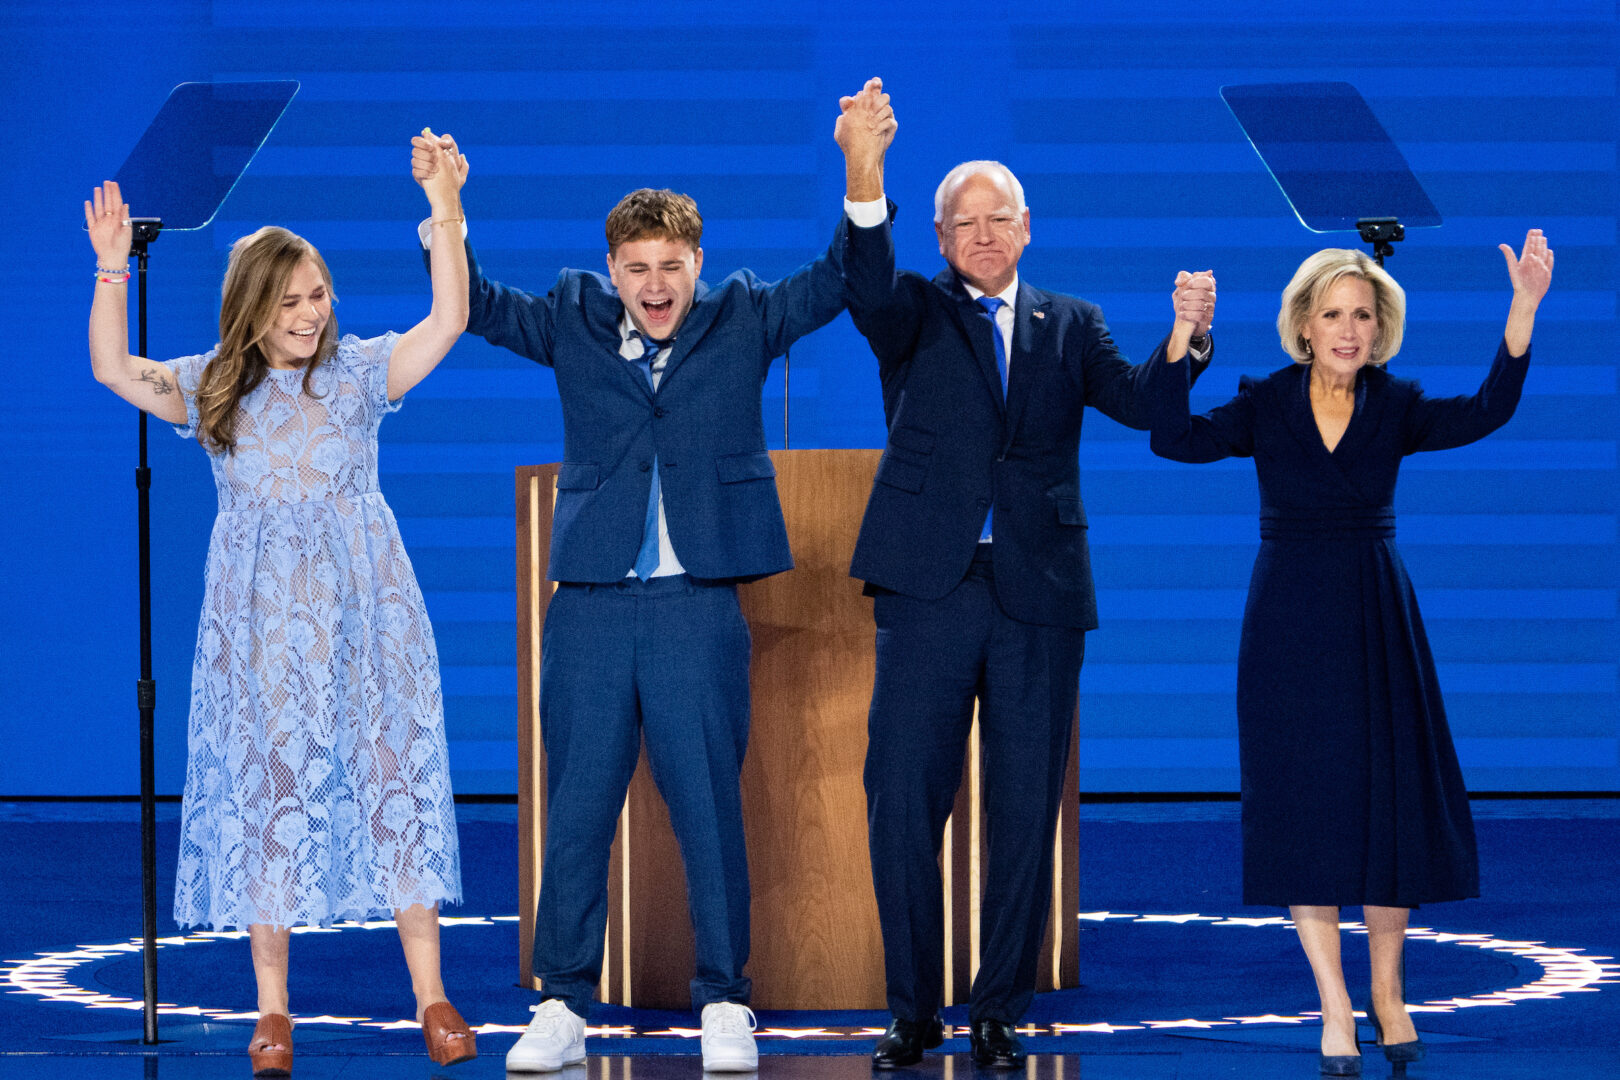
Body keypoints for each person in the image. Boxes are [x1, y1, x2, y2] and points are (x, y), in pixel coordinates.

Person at [410, 97, 860, 1073]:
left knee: (707, 806)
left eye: (671, 267)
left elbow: (842, 280)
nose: (655, 286)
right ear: (613, 270)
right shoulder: (574, 316)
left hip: (698, 605)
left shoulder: (743, 314)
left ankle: (725, 1001)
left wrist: (861, 175)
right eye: (637, 269)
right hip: (593, 610)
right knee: (576, 808)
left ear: (699, 265)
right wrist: (445, 206)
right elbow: (477, 305)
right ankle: (563, 1001)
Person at [833, 81, 1216, 1069]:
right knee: (900, 798)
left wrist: (1185, 341)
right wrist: (863, 170)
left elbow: (1144, 406)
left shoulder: (1071, 323)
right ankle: (911, 1010)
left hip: (1039, 596)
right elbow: (867, 284)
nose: (984, 232)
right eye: (964, 221)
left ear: (1028, 229)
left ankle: (996, 1008)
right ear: (942, 234)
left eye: (1000, 217)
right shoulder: (911, 311)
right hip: (929, 590)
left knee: (1023, 809)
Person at [84, 131, 478, 1074]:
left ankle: (433, 996)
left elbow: (449, 318)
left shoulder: (358, 375)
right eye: (292, 299)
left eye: (319, 294)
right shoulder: (215, 386)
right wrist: (109, 274)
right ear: (253, 309)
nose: (311, 312)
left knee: (392, 782)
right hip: (261, 628)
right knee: (273, 790)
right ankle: (272, 1013)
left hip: (369, 616)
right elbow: (112, 370)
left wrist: (446, 208)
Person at [1146, 232, 1554, 1076]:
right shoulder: (1263, 402)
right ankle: (1333, 1003)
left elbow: (1486, 411)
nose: (1347, 328)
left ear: (1380, 328)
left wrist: (1521, 314)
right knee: (1306, 810)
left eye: (1361, 315)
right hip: (1289, 621)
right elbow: (1172, 437)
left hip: (1375, 615)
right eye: (1331, 313)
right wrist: (1184, 335)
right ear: (1303, 325)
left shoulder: (1397, 402)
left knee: (1388, 806)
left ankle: (1388, 991)